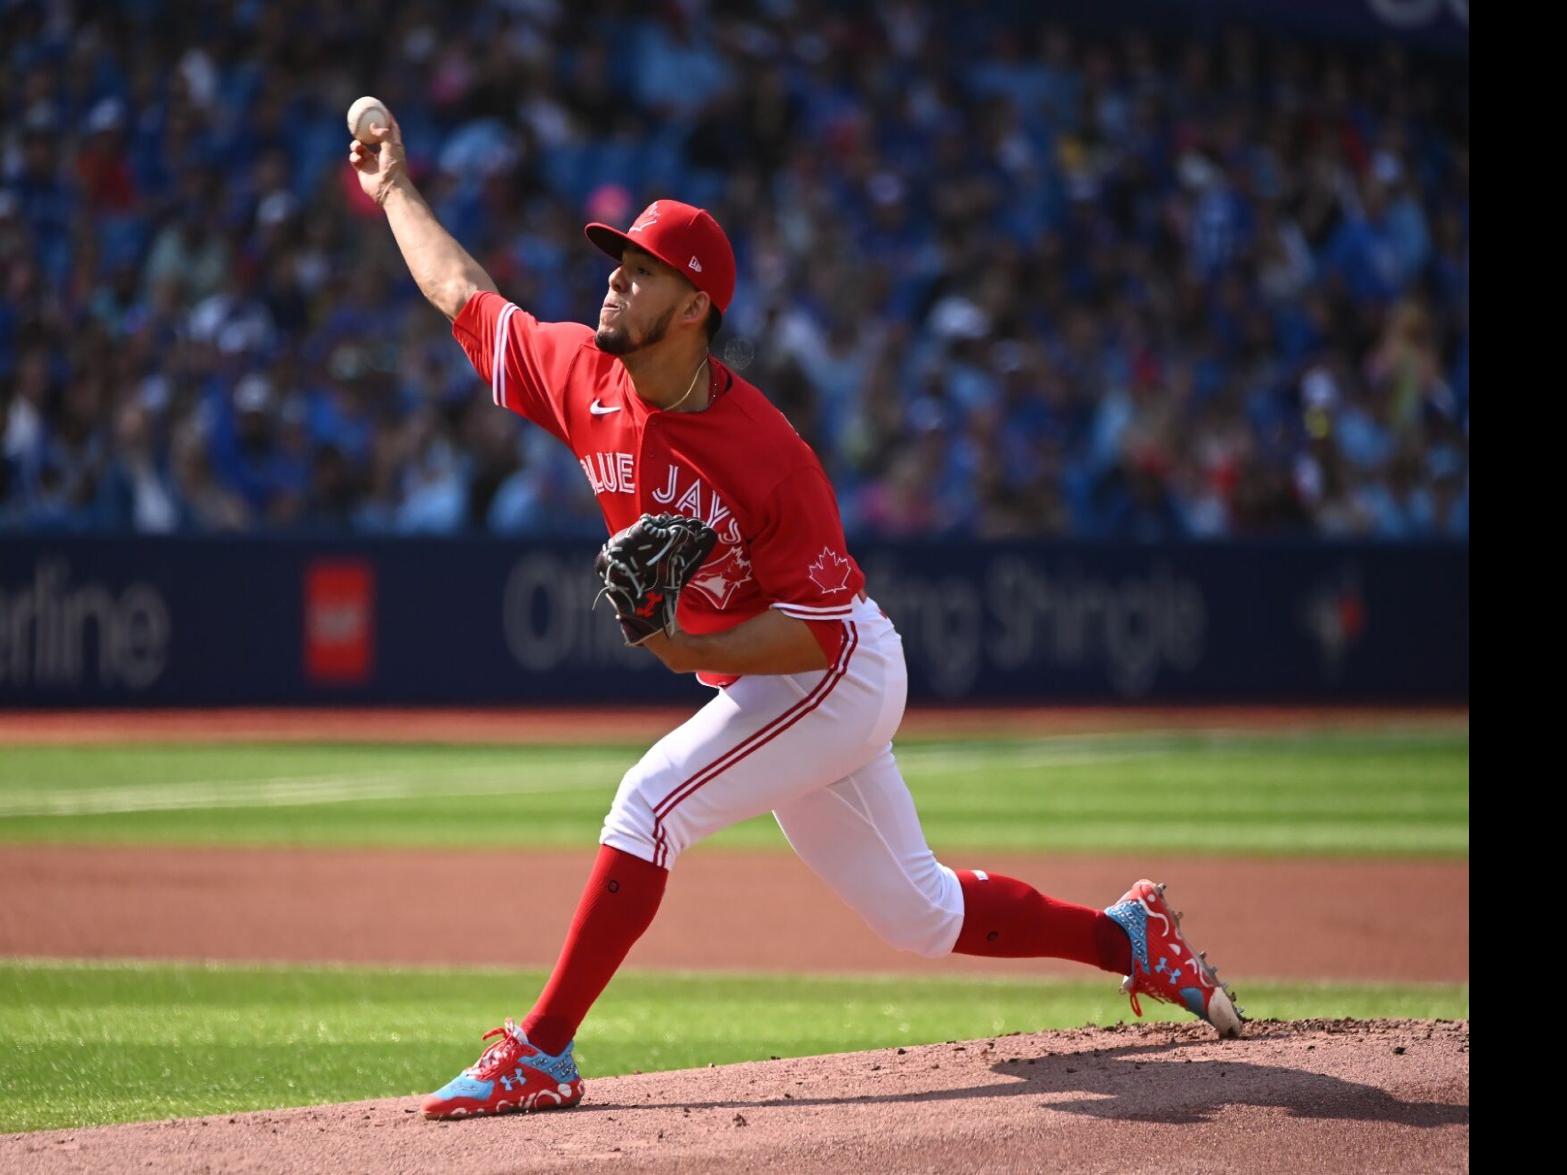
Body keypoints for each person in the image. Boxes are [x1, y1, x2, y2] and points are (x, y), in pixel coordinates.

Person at [347, 110, 1243, 1121]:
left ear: (694, 305)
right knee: (919, 911)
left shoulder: (765, 451)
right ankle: (1127, 935)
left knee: (649, 801)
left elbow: (815, 634)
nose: (612, 279)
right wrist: (392, 190)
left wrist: (681, 644)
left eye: (639, 270)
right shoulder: (583, 375)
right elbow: (463, 294)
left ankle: (540, 1050)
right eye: (616, 263)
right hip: (773, 676)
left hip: (835, 668)